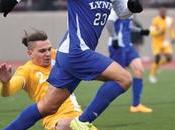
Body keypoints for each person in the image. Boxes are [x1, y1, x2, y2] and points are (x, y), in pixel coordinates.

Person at [0, 0, 143, 130]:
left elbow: (122, 12)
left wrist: (131, 7)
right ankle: (83, 121)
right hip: (77, 52)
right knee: (124, 78)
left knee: (47, 107)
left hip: (67, 53)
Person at [0, 30, 99, 130]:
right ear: (30, 53)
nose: (47, 53)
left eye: (49, 49)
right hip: (55, 122)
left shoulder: (57, 56)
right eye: (42, 51)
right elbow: (7, 91)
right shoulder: (26, 71)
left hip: (77, 117)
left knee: (72, 124)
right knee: (66, 125)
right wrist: (5, 83)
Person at [106, 9, 152, 113]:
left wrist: (141, 31)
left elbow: (128, 26)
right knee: (116, 78)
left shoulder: (129, 9)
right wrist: (114, 38)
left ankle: (136, 105)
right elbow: (109, 22)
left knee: (139, 70)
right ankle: (99, 102)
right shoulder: (117, 8)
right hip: (118, 47)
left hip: (128, 46)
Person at [149, 6, 175, 83]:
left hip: (165, 42)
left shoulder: (169, 20)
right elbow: (152, 32)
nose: (163, 13)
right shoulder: (155, 20)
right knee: (157, 58)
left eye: (164, 12)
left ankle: (158, 66)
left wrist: (173, 37)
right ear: (159, 13)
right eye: (161, 12)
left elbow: (171, 30)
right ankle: (152, 75)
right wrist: (159, 32)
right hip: (156, 43)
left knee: (169, 58)